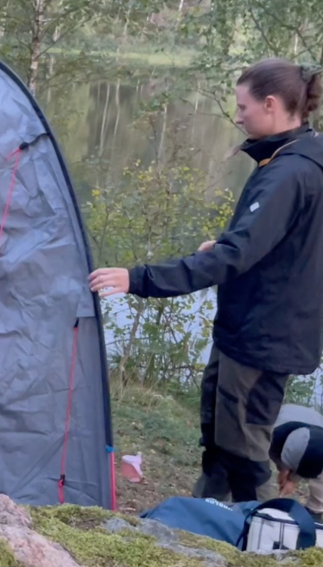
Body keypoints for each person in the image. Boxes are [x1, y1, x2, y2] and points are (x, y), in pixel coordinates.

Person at [88, 57, 323, 502]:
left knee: (245, 448)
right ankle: (201, 517)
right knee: (219, 437)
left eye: (242, 107)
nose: (237, 117)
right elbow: (287, 245)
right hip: (258, 326)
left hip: (263, 335)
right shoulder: (299, 157)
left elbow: (235, 258)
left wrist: (137, 278)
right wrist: (231, 246)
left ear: (271, 105)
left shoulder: (290, 173)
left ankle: (256, 537)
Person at [272, 403, 323, 520]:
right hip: (285, 416)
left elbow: (307, 461)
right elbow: (278, 457)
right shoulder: (274, 433)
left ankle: (314, 512)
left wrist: (292, 479)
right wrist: (284, 472)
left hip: (317, 426)